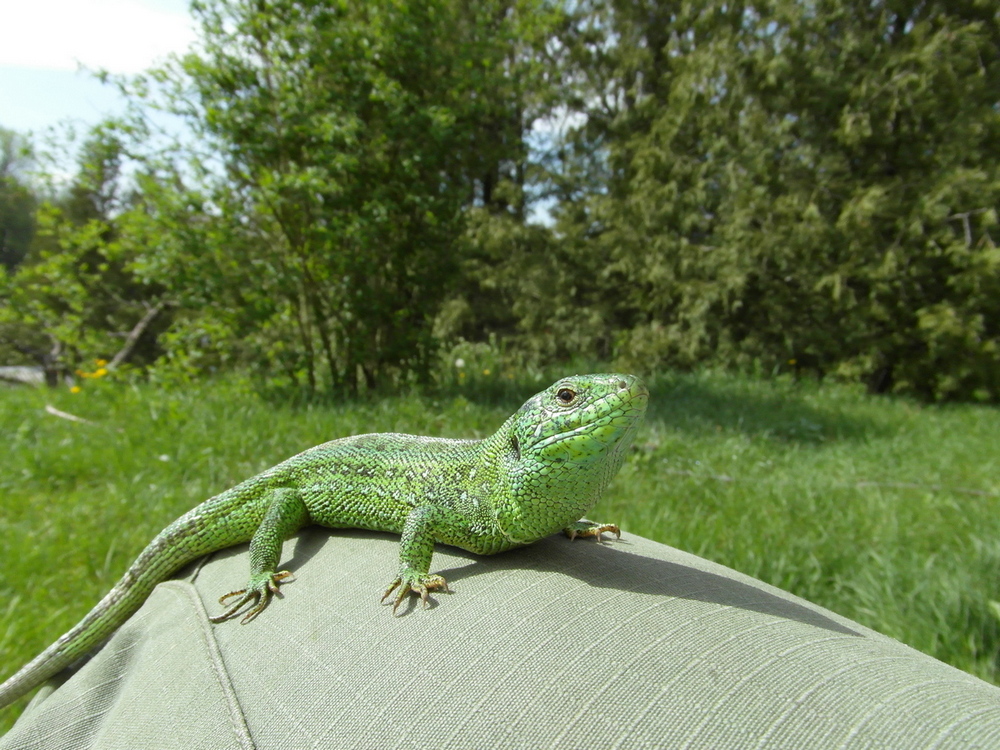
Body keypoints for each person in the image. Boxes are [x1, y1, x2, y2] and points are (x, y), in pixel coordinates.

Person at [3, 528, 999, 749]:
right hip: (292, 497)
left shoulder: (528, 499)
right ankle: (257, 573)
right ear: (525, 428)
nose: (594, 396)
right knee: (195, 571)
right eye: (564, 395)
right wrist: (407, 568)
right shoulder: (476, 489)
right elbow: (426, 513)